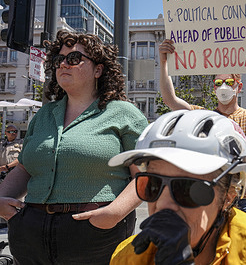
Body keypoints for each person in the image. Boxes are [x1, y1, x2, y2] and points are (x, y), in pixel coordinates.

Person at [0, 30, 148, 264]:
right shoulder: (44, 115)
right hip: (30, 232)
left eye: (74, 59)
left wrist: (113, 214)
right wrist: (2, 200)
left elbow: (144, 175)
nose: (63, 65)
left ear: (98, 69)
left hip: (95, 233)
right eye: (59, 60)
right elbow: (25, 168)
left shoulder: (124, 114)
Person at [110, 110, 246, 264]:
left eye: (186, 189)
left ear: (228, 197)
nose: (162, 204)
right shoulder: (129, 256)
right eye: (152, 185)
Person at [159, 33, 246, 220]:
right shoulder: (204, 116)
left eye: (229, 83)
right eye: (218, 83)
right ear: (213, 88)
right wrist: (164, 62)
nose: (223, 87)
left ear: (239, 87)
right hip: (212, 198)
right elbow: (170, 100)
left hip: (244, 199)